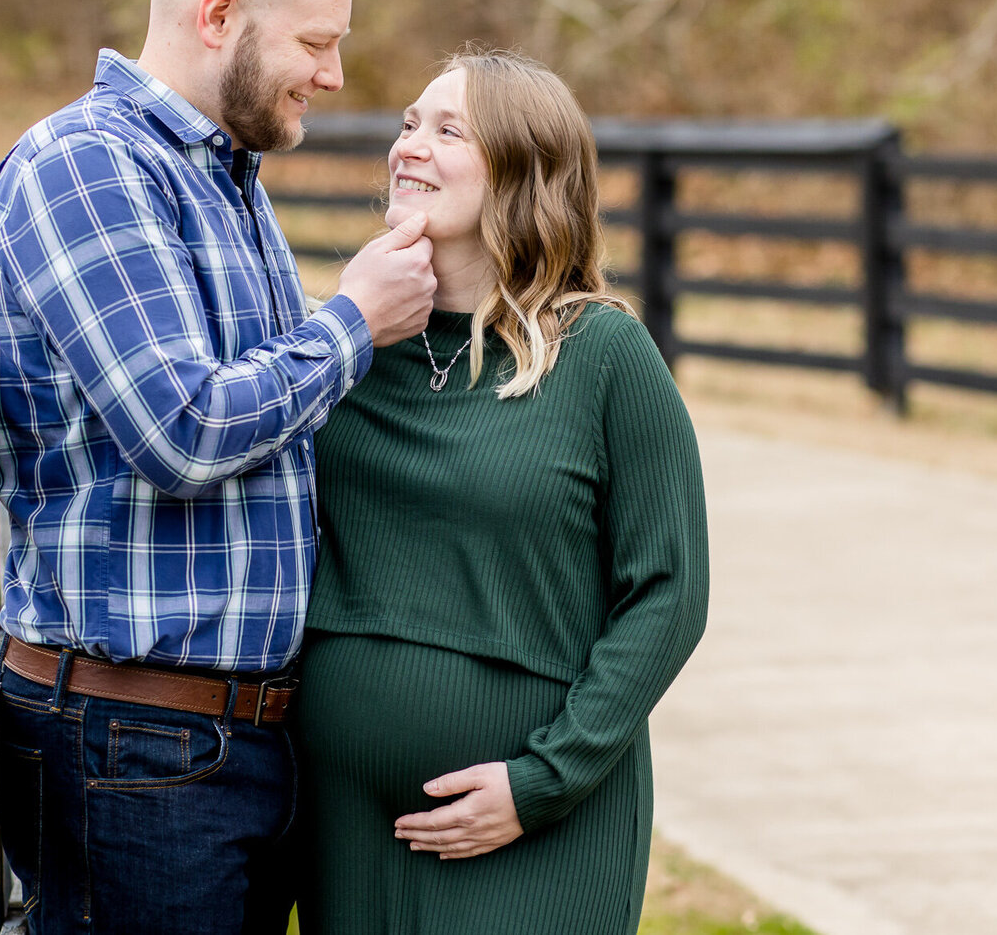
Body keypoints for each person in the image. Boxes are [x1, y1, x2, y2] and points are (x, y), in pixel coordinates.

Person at [0, 0, 435, 935]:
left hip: (232, 741)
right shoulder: (85, 164)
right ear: (218, 16)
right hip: (131, 738)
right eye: (316, 42)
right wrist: (354, 323)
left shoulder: (226, 180)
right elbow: (181, 429)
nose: (332, 73)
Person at [294, 49, 710, 934]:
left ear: (524, 171)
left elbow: (670, 593)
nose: (410, 146)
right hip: (343, 823)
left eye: (449, 131)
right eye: (408, 123)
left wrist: (542, 782)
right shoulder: (347, 346)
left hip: (536, 825)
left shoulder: (602, 356)